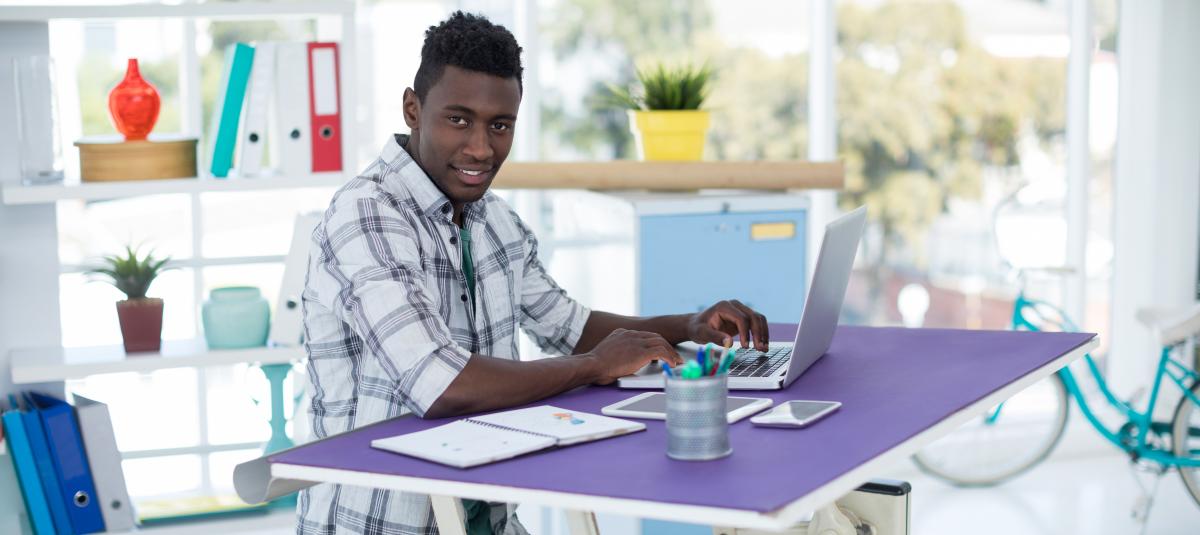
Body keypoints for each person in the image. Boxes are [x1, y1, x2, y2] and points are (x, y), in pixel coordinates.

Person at [298, 11, 770, 535]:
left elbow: (568, 326)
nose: (481, 148)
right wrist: (594, 365)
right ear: (413, 108)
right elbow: (442, 385)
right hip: (383, 523)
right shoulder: (368, 216)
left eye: (500, 125)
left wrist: (687, 325)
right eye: (458, 119)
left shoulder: (493, 217)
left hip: (489, 517)